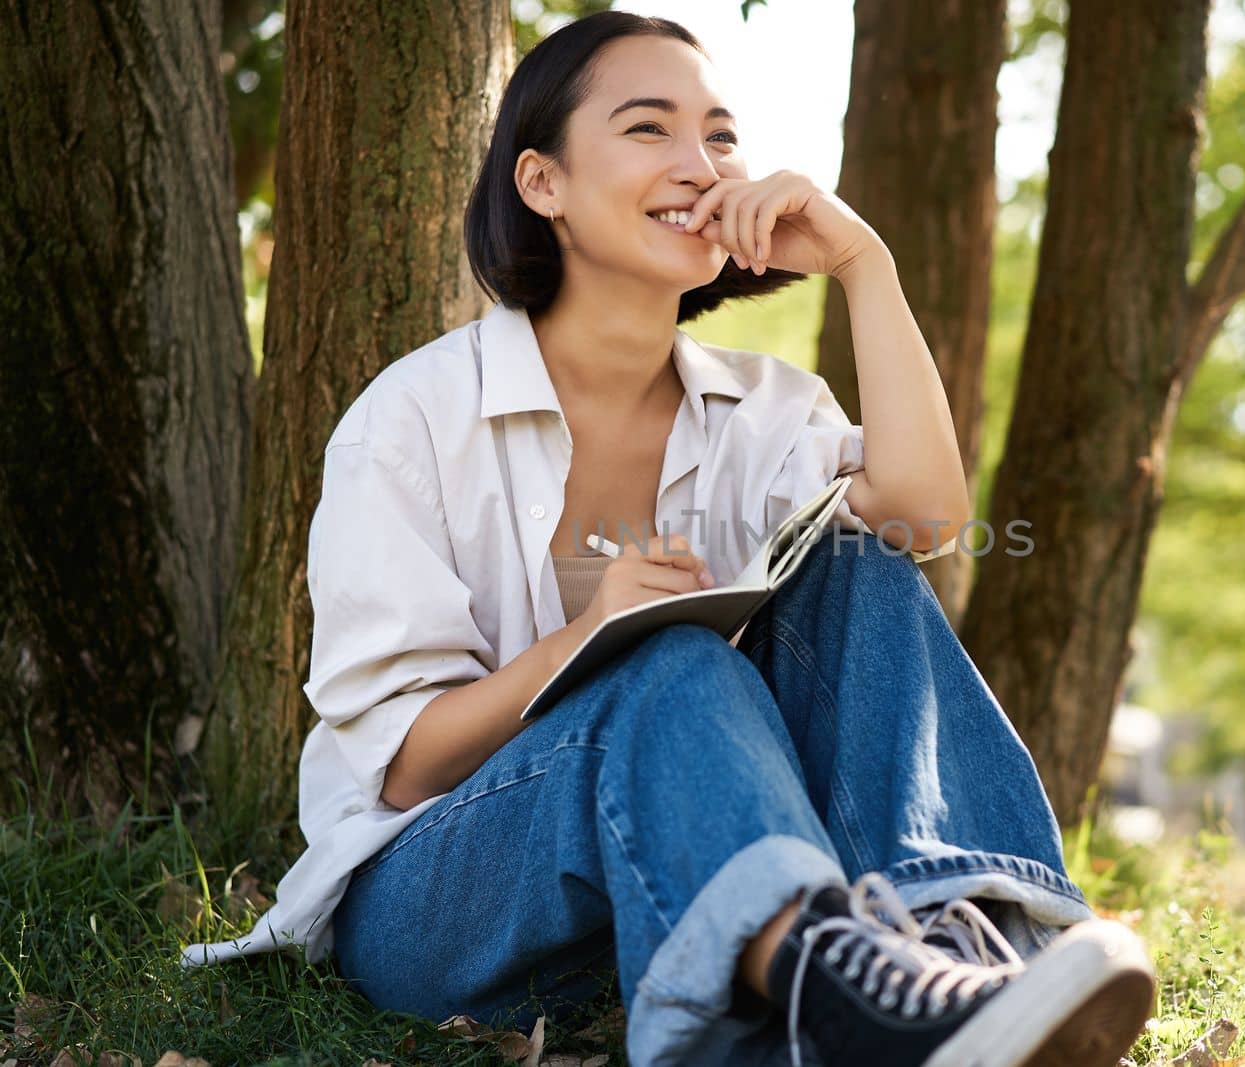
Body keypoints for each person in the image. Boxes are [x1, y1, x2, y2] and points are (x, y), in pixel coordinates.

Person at [180, 12, 1156, 1066]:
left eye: (721, 137)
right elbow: (405, 769)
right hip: (440, 899)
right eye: (649, 129)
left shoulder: (766, 408)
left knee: (852, 557)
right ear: (541, 183)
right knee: (670, 659)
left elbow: (925, 517)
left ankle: (967, 956)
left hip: (673, 883)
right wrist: (595, 635)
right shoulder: (413, 418)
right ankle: (850, 996)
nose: (699, 166)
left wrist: (863, 262)